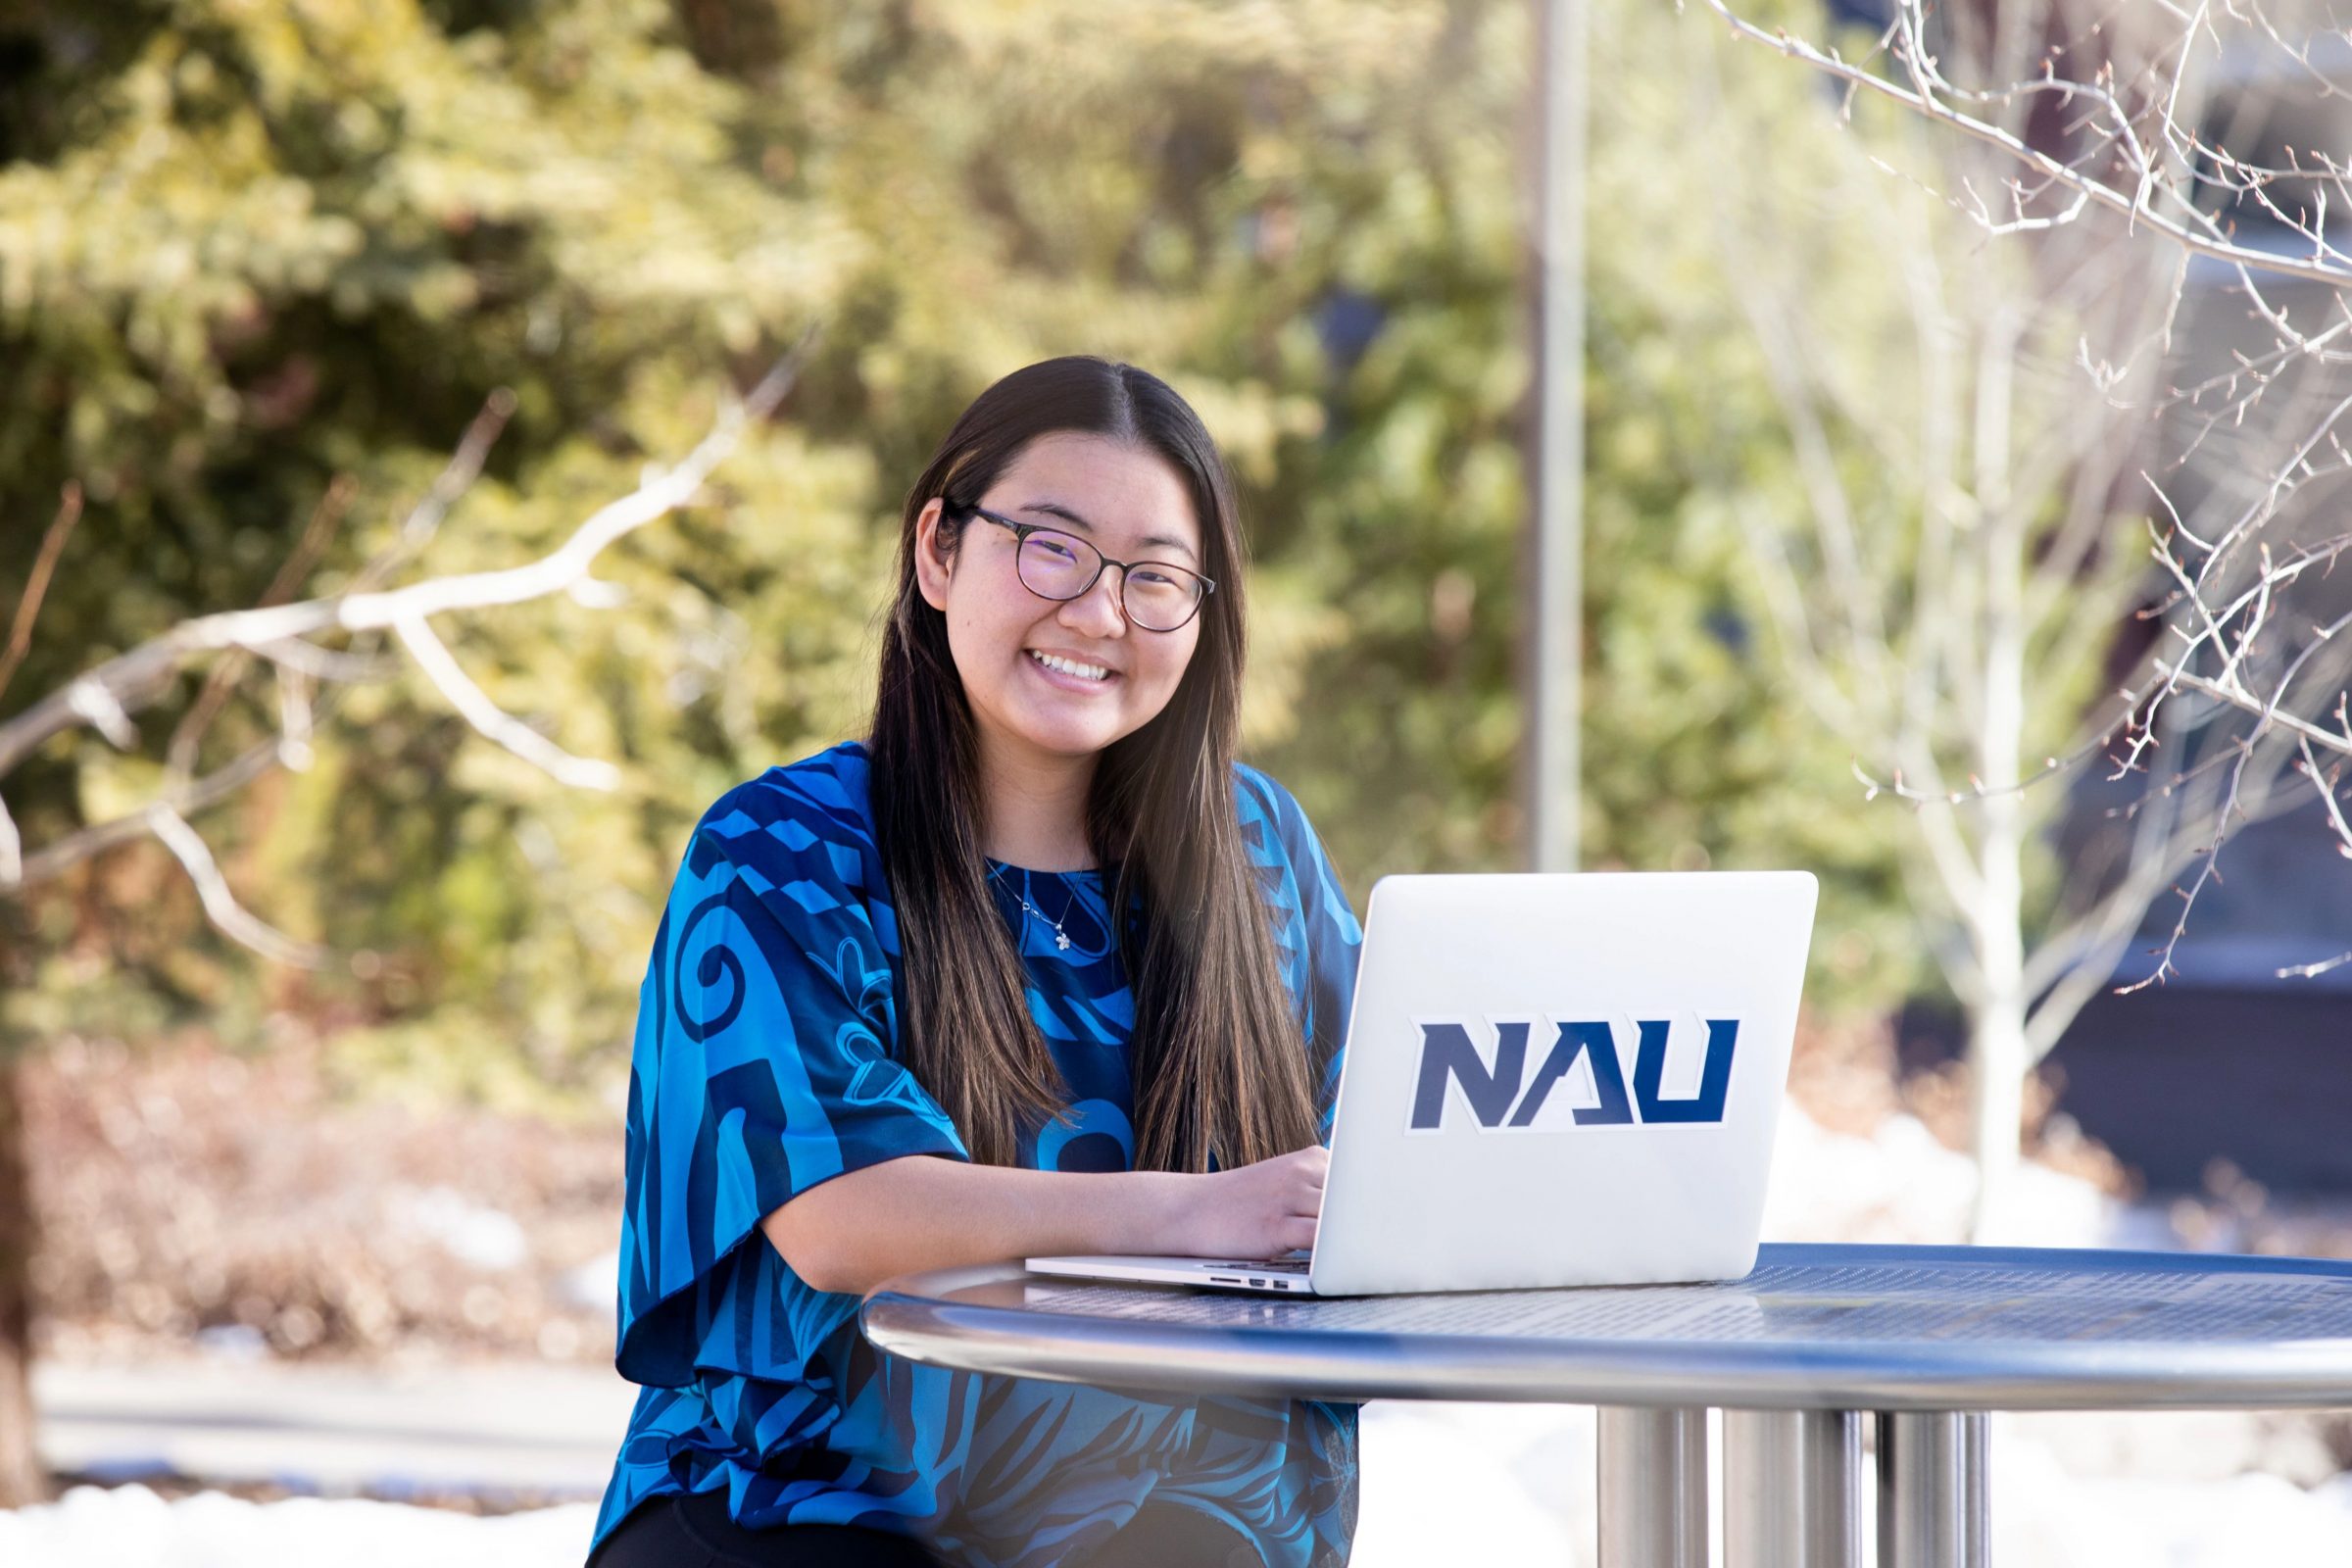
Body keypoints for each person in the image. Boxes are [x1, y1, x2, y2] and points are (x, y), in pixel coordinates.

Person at [585, 356, 1364, 1568]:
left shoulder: (1259, 850)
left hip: (1184, 1516)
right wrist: (1196, 1212)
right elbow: (839, 1214)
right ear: (938, 552)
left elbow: (1391, 1137)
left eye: (1155, 576)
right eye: (1052, 547)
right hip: (813, 1506)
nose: (1100, 612)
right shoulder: (784, 850)